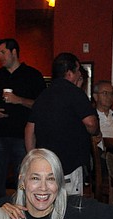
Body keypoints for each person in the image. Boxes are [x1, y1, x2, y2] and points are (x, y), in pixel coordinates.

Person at [26, 52, 100, 197]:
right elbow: (91, 123)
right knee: (70, 208)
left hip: (47, 166)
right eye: (78, 70)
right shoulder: (75, 93)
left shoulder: (43, 95)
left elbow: (29, 131)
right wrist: (96, 132)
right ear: (70, 73)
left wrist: (32, 159)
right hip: (70, 166)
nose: (79, 74)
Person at [0, 38, 46, 201]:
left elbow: (42, 105)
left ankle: (21, 213)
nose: (0, 57)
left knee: (22, 177)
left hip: (22, 136)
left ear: (14, 52)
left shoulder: (32, 75)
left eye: (3, 52)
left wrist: (19, 100)